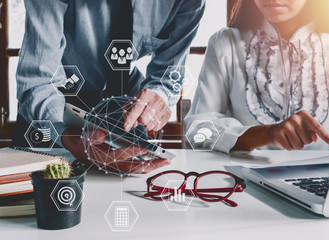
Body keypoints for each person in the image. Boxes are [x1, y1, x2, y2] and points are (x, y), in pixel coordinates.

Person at [15, 0, 205, 173]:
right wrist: (69, 137)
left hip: (122, 109)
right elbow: (38, 79)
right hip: (49, 114)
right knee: (37, 203)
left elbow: (168, 74)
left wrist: (158, 96)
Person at [185, 0, 329, 153]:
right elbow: (196, 133)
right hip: (242, 183)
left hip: (324, 185)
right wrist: (266, 134)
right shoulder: (225, 43)